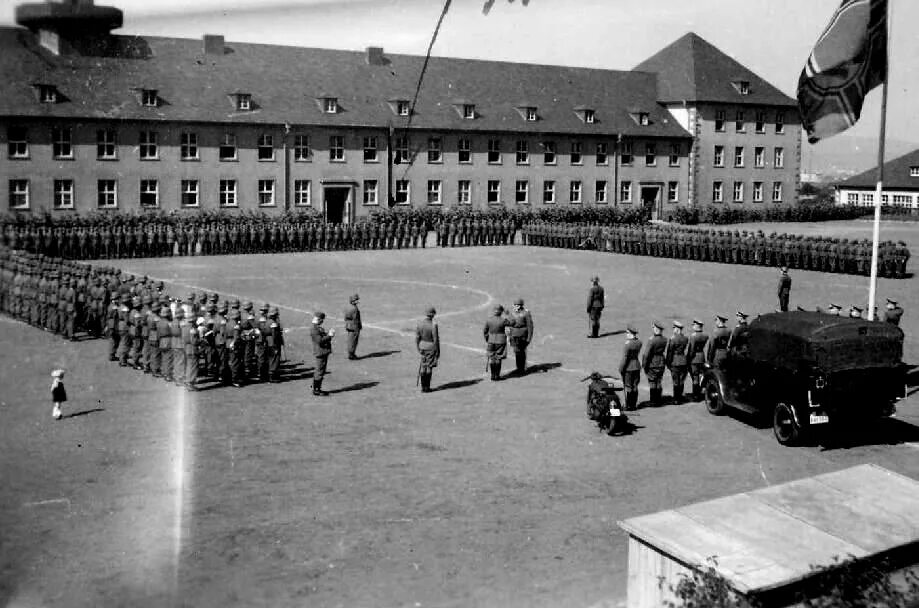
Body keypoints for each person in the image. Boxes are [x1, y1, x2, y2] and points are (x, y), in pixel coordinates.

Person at [415, 305, 440, 393]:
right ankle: (427, 387)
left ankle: (423, 387)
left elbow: (417, 337)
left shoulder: (420, 324)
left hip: (422, 346)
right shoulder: (433, 325)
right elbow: (436, 339)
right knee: (429, 367)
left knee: (423, 366)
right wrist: (438, 351)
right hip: (431, 347)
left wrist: (418, 347)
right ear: (432, 315)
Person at [642, 321, 667, 406]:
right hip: (661, 362)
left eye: (654, 328)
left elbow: (646, 354)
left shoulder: (652, 340)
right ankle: (658, 399)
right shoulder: (664, 339)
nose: (653, 329)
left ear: (656, 329)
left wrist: (644, 365)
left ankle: (653, 401)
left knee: (652, 382)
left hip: (653, 363)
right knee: (659, 381)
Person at [310, 311, 335, 396]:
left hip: (322, 352)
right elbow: (320, 341)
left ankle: (317, 388)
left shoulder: (317, 327)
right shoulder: (314, 329)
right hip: (320, 352)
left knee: (321, 370)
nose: (322, 321)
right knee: (319, 370)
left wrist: (327, 335)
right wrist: (330, 336)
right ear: (319, 319)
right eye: (322, 320)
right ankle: (316, 390)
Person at [484, 304, 510, 381]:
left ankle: (492, 376)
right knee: (498, 358)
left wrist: (488, 339)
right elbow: (512, 322)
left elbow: (485, 331)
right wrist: (508, 314)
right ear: (501, 312)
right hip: (501, 341)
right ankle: (497, 376)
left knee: (492, 358)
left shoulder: (489, 320)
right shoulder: (503, 320)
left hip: (491, 341)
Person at [508, 298, 534, 375]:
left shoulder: (526, 313)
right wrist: (509, 336)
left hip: (522, 336)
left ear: (521, 305)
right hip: (514, 335)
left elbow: (530, 326)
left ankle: (522, 369)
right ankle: (519, 368)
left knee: (521, 352)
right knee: (516, 352)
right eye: (515, 305)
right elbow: (509, 325)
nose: (516, 306)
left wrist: (529, 338)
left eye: (518, 305)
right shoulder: (512, 313)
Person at [618, 326, 642, 411]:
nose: (626, 334)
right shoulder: (639, 342)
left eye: (627, 333)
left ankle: (629, 406)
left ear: (631, 334)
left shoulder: (627, 344)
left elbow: (625, 358)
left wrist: (621, 369)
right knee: (635, 386)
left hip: (628, 367)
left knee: (628, 386)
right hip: (636, 365)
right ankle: (634, 405)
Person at [665, 321, 689, 404]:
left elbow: (670, 352)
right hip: (683, 361)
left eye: (674, 328)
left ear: (678, 329)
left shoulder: (673, 339)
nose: (673, 329)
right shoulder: (685, 338)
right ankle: (680, 397)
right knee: (681, 380)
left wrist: (668, 363)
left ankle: (676, 399)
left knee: (676, 381)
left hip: (675, 362)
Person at [687, 319, 708, 401]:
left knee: (695, 377)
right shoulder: (705, 336)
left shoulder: (693, 336)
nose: (693, 326)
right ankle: (700, 392)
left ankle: (696, 395)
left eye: (694, 325)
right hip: (702, 357)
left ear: (697, 326)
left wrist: (689, 359)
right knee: (701, 375)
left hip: (694, 358)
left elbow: (691, 350)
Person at [344, 294, 362, 360]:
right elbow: (356, 319)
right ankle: (351, 355)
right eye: (356, 300)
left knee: (350, 340)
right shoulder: (354, 309)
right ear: (353, 301)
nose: (358, 301)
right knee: (353, 341)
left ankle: (351, 353)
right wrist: (359, 326)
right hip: (354, 327)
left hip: (349, 326)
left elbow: (346, 317)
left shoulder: (348, 307)